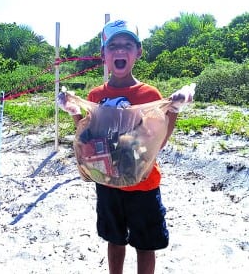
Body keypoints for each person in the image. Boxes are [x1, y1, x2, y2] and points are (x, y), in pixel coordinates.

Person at [59, 19, 193, 274]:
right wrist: (75, 112)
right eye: (113, 46)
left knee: (145, 245)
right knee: (114, 239)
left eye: (127, 45)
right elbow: (88, 136)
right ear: (103, 55)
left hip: (143, 184)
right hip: (107, 182)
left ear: (138, 51)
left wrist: (173, 110)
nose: (120, 50)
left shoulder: (149, 95)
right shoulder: (96, 95)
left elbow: (157, 141)